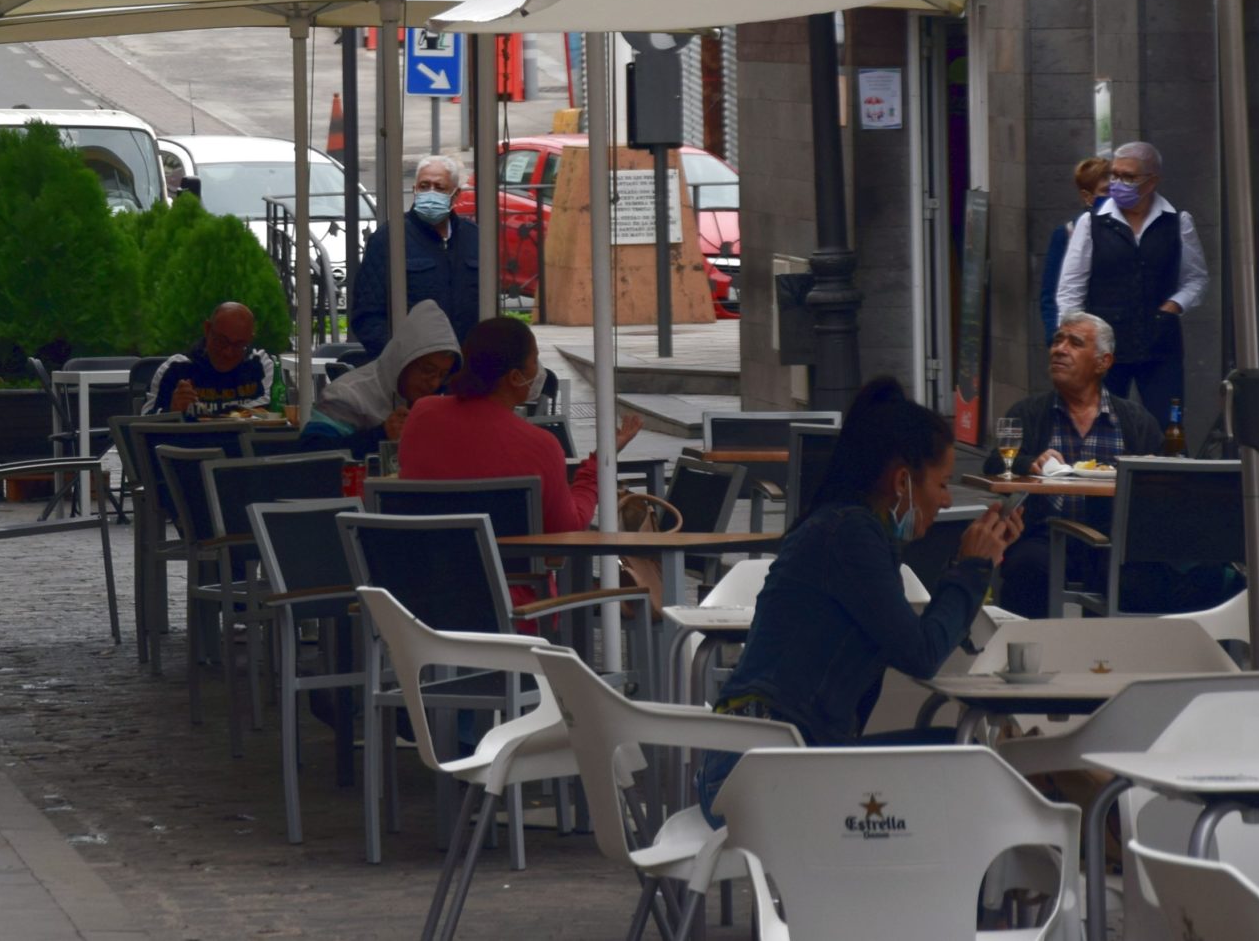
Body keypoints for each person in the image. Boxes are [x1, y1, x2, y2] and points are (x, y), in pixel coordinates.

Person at [695, 378, 1025, 819]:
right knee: (969, 762)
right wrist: (970, 569)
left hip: (770, 759)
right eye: (942, 483)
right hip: (762, 770)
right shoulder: (850, 535)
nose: (946, 501)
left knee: (964, 755)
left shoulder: (849, 531)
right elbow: (922, 653)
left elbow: (916, 641)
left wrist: (978, 566)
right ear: (903, 480)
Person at [397, 317, 640, 533]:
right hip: (512, 582)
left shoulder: (422, 415)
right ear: (514, 377)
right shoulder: (541, 445)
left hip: (424, 579)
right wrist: (597, 466)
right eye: (535, 360)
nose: (540, 370)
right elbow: (569, 526)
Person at [996, 312, 1163, 618]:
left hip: (1111, 538)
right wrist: (1029, 461)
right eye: (1057, 340)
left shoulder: (1135, 421)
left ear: (1104, 362)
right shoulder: (1029, 412)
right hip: (1045, 534)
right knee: (1026, 567)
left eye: (1074, 343)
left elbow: (1165, 482)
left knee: (1142, 578)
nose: (1059, 349)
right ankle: (1028, 655)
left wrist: (1149, 470)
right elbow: (995, 462)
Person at [1053, 140, 1208, 418]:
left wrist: (1173, 306)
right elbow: (1070, 288)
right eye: (1115, 174)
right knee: (1101, 420)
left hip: (1160, 343)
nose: (1118, 183)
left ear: (1152, 181)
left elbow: (1195, 278)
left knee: (1167, 423)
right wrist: (1071, 339)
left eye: (1128, 177)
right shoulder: (1092, 223)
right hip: (1103, 344)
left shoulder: (1177, 222)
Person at [349, 154, 483, 357]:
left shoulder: (474, 237)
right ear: (414, 190)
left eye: (439, 188)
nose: (430, 193)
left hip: (468, 369)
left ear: (455, 195)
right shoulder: (390, 238)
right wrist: (400, 358)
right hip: (411, 369)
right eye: (424, 186)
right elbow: (367, 314)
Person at [302, 299, 459, 457]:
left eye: (442, 375)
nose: (434, 382)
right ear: (403, 359)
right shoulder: (347, 395)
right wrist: (381, 434)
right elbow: (311, 453)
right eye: (427, 370)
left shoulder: (439, 400)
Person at [143, 302, 278, 416]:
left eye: (239, 345)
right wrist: (172, 411)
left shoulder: (261, 364)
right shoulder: (176, 368)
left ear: (250, 339)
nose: (228, 352)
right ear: (207, 330)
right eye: (221, 341)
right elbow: (143, 422)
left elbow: (276, 410)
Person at [1038, 157, 1112, 344]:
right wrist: (1057, 338)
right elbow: (1051, 292)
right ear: (1088, 196)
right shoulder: (1067, 234)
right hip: (1084, 333)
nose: (1113, 197)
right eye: (1105, 191)